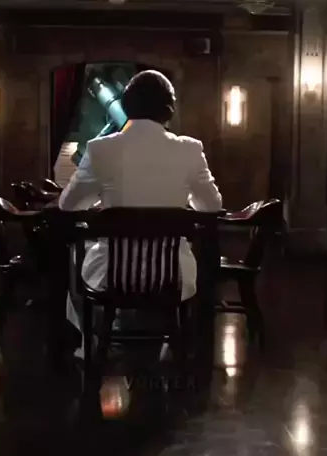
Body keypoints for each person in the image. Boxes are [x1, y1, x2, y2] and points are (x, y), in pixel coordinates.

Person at [59, 70, 222, 353]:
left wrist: (101, 205)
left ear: (127, 105)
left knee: (74, 255)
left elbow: (68, 205)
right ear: (169, 109)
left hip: (110, 276)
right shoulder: (190, 150)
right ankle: (173, 349)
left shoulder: (99, 149)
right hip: (173, 277)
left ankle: (91, 343)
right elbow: (212, 206)